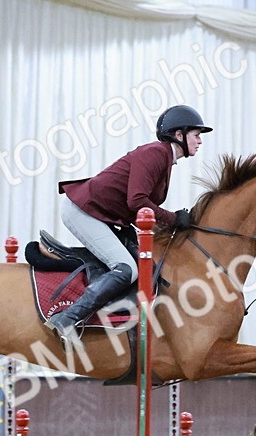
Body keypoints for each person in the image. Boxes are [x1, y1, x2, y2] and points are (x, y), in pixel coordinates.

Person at [44, 104, 211, 345]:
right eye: (196, 135)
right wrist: (173, 219)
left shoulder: (164, 158)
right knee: (126, 268)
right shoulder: (156, 153)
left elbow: (136, 206)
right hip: (83, 210)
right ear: (179, 135)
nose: (200, 141)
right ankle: (68, 319)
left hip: (101, 213)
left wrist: (168, 228)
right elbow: (137, 201)